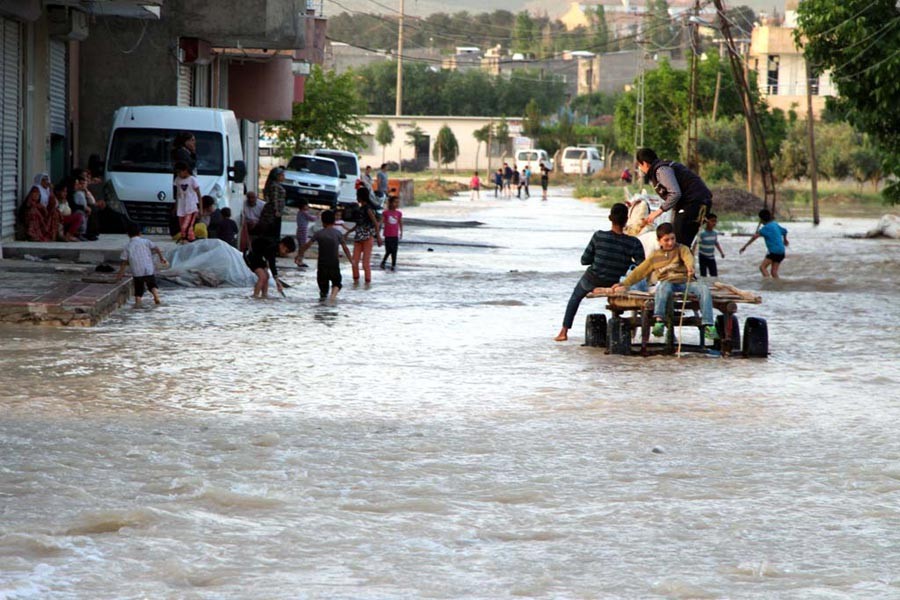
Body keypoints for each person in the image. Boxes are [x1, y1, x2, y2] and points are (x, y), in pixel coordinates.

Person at [555, 203, 645, 342]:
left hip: (594, 279)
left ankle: (563, 331)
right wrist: (627, 263)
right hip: (617, 281)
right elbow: (641, 266)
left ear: (610, 218)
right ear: (626, 220)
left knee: (575, 297)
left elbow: (584, 260)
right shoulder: (634, 242)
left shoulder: (599, 236)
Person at [612, 222, 718, 340]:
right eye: (666, 240)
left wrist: (690, 267)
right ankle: (659, 320)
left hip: (685, 281)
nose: (671, 242)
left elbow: (688, 258)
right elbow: (639, 272)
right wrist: (624, 284)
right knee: (662, 288)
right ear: (659, 241)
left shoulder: (682, 249)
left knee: (703, 289)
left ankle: (708, 324)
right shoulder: (654, 256)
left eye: (673, 239)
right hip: (667, 282)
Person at [635, 147, 712, 246]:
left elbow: (675, 193)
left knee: (678, 242)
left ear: (644, 163)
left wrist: (657, 212)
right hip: (693, 203)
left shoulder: (661, 170)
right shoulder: (661, 168)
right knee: (678, 240)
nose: (640, 168)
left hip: (694, 203)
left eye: (639, 165)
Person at [296, 209, 352, 302]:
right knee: (337, 283)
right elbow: (345, 248)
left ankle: (322, 307)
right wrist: (351, 260)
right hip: (334, 263)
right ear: (334, 221)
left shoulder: (319, 233)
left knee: (323, 290)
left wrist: (299, 256)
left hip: (322, 265)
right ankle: (332, 298)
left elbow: (307, 245)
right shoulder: (338, 233)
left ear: (322, 222)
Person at [117, 222, 168, 308]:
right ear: (140, 233)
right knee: (152, 285)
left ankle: (138, 306)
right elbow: (156, 248)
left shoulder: (128, 246)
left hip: (137, 271)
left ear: (128, 234)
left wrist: (120, 273)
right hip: (149, 269)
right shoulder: (146, 241)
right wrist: (161, 258)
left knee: (139, 290)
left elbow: (124, 262)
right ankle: (156, 296)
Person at [346, 187, 382, 284]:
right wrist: (348, 232)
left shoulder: (368, 209)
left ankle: (367, 283)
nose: (356, 197)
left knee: (365, 264)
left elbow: (375, 223)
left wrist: (378, 237)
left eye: (357, 195)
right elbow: (359, 225)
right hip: (358, 239)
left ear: (360, 197)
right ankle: (356, 282)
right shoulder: (360, 209)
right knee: (354, 262)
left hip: (367, 238)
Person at [740, 208, 789, 278]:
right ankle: (777, 286)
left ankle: (768, 284)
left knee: (762, 268)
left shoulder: (764, 229)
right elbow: (785, 231)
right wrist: (785, 240)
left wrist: (744, 246)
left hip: (773, 252)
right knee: (774, 272)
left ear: (762, 219)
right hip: (781, 251)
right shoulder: (775, 224)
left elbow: (754, 237)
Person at [173, 161, 201, 243]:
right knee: (182, 228)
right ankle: (190, 241)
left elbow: (199, 194)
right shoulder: (177, 180)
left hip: (191, 207)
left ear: (185, 170)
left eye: (179, 172)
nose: (178, 174)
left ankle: (186, 240)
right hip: (181, 206)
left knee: (186, 227)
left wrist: (200, 209)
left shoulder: (192, 180)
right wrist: (176, 207)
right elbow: (178, 194)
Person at [692, 213, 725, 277]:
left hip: (711, 257)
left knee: (714, 275)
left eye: (715, 221)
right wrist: (692, 255)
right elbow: (695, 244)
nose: (714, 223)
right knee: (703, 275)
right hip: (702, 257)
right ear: (707, 221)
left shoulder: (715, 233)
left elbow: (716, 243)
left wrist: (721, 253)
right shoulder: (702, 233)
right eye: (712, 221)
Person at [259, 167, 286, 242]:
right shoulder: (274, 186)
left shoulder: (276, 185)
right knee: (273, 233)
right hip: (273, 214)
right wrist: (276, 211)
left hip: (275, 213)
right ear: (277, 176)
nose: (284, 177)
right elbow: (274, 199)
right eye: (282, 175)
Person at [380, 197, 403, 271]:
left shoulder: (399, 213)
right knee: (389, 250)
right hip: (387, 234)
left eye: (397, 202)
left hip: (395, 235)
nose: (396, 204)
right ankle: (383, 261)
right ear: (390, 203)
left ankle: (393, 264)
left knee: (394, 250)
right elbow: (381, 222)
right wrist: (377, 230)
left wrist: (401, 232)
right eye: (395, 202)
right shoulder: (386, 213)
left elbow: (400, 223)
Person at [294, 199, 318, 267]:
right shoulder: (304, 213)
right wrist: (317, 216)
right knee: (304, 247)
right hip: (303, 231)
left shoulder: (299, 212)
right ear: (303, 206)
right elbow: (312, 218)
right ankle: (299, 260)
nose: (308, 206)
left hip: (299, 230)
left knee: (301, 247)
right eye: (307, 205)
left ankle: (298, 258)